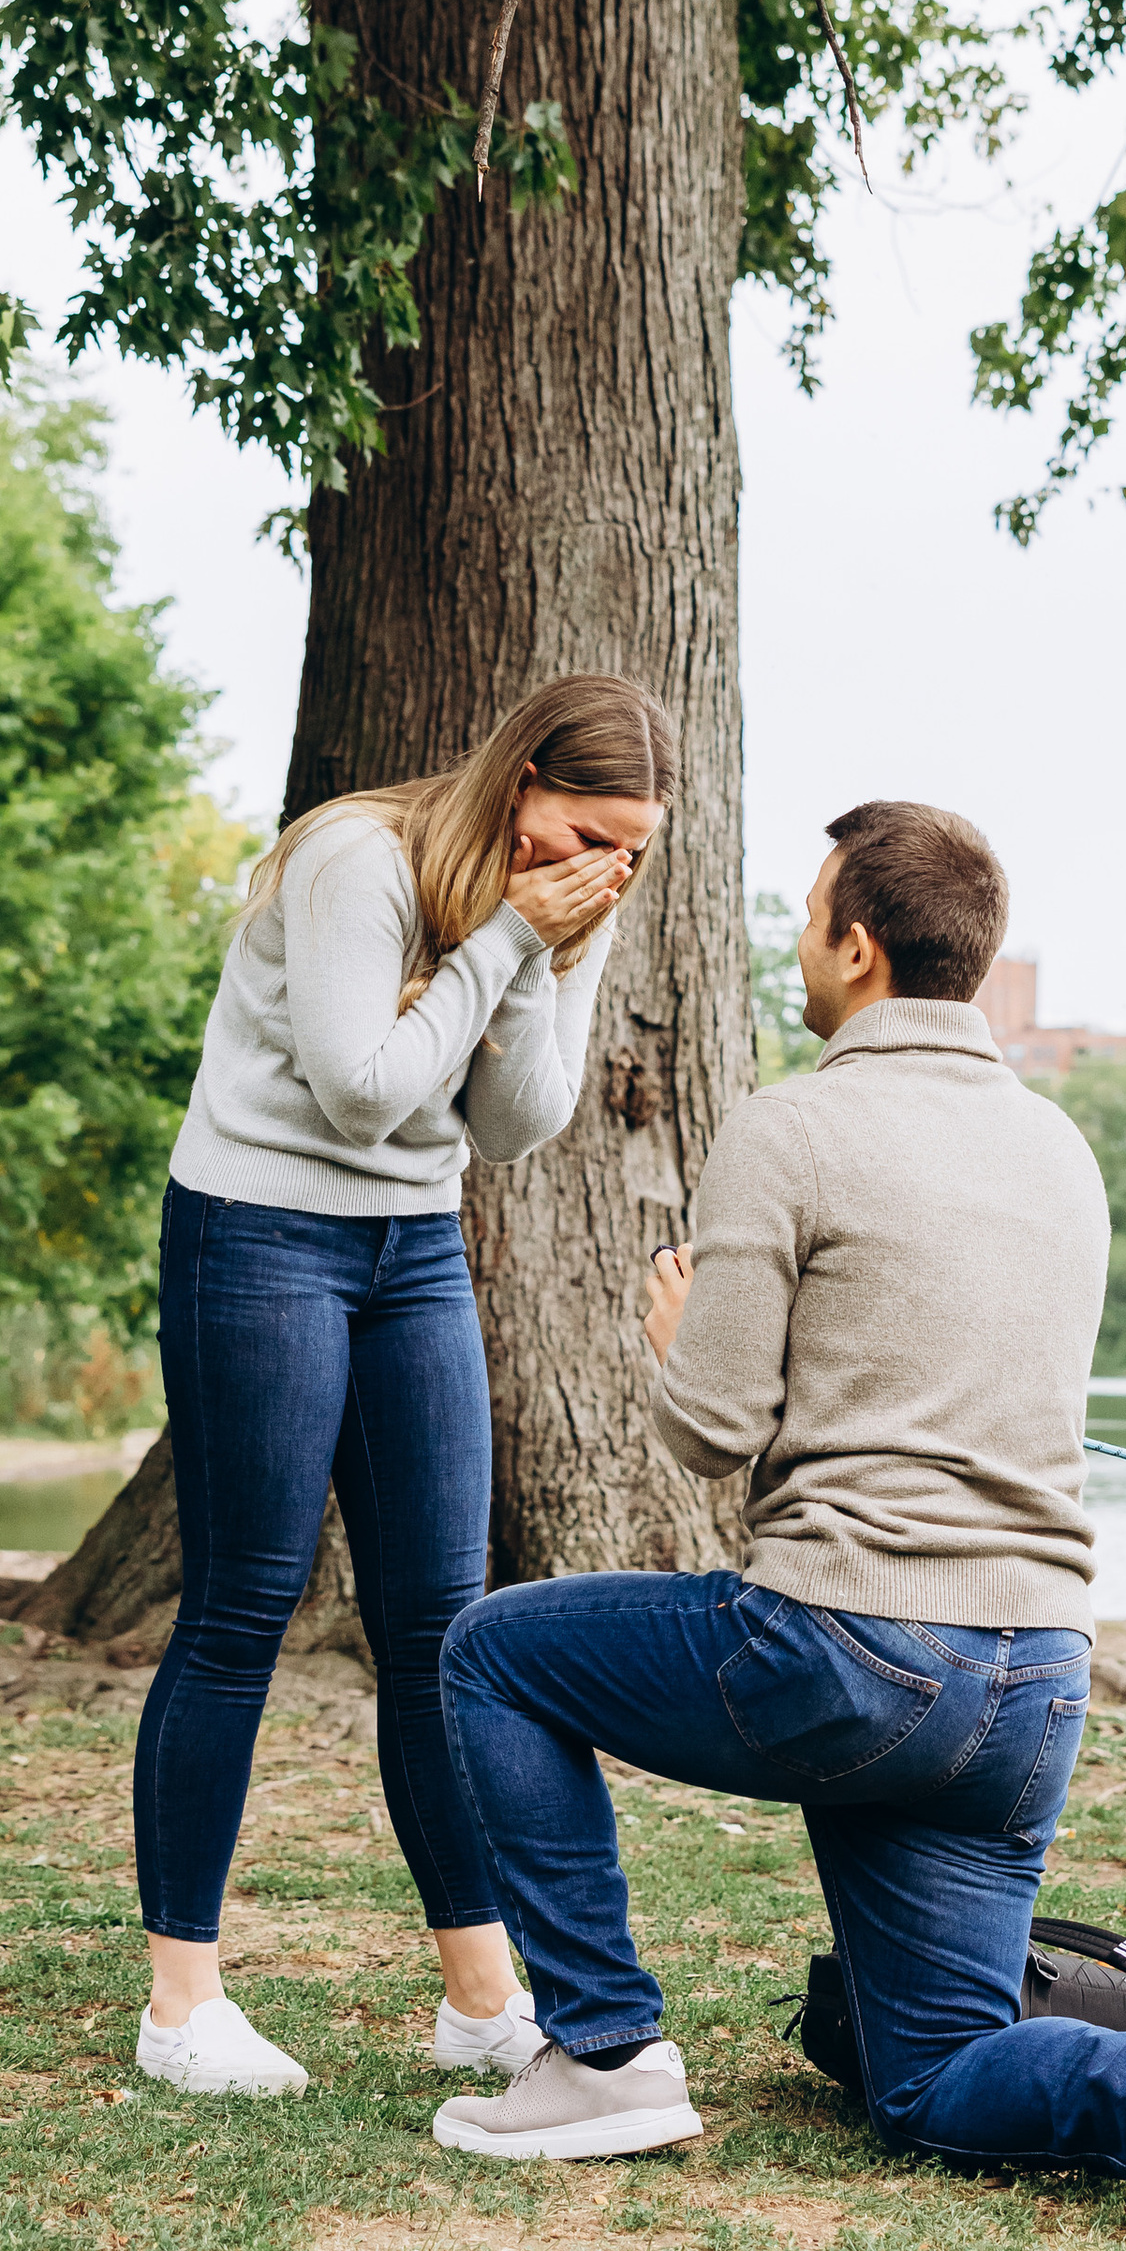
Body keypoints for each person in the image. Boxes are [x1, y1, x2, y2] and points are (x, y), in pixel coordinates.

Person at [432, 800, 1126, 2251]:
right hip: (1034, 1683)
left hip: (852, 1651)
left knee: (493, 1655)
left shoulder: (794, 1126)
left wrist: (676, 1343)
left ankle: (605, 2053)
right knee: (932, 2074)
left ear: (858, 946)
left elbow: (712, 1431)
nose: (799, 941)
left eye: (812, 913)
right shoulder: (1059, 1147)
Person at [132, 673, 674, 2100]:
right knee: (245, 1603)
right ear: (524, 778)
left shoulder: (563, 906)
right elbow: (363, 1089)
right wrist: (508, 938)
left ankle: (481, 1997)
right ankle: (182, 2003)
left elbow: (515, 1125)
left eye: (632, 851)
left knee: (441, 1625)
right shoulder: (356, 860)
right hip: (258, 1229)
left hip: (415, 1248)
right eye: (587, 835)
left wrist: (547, 954)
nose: (603, 870)